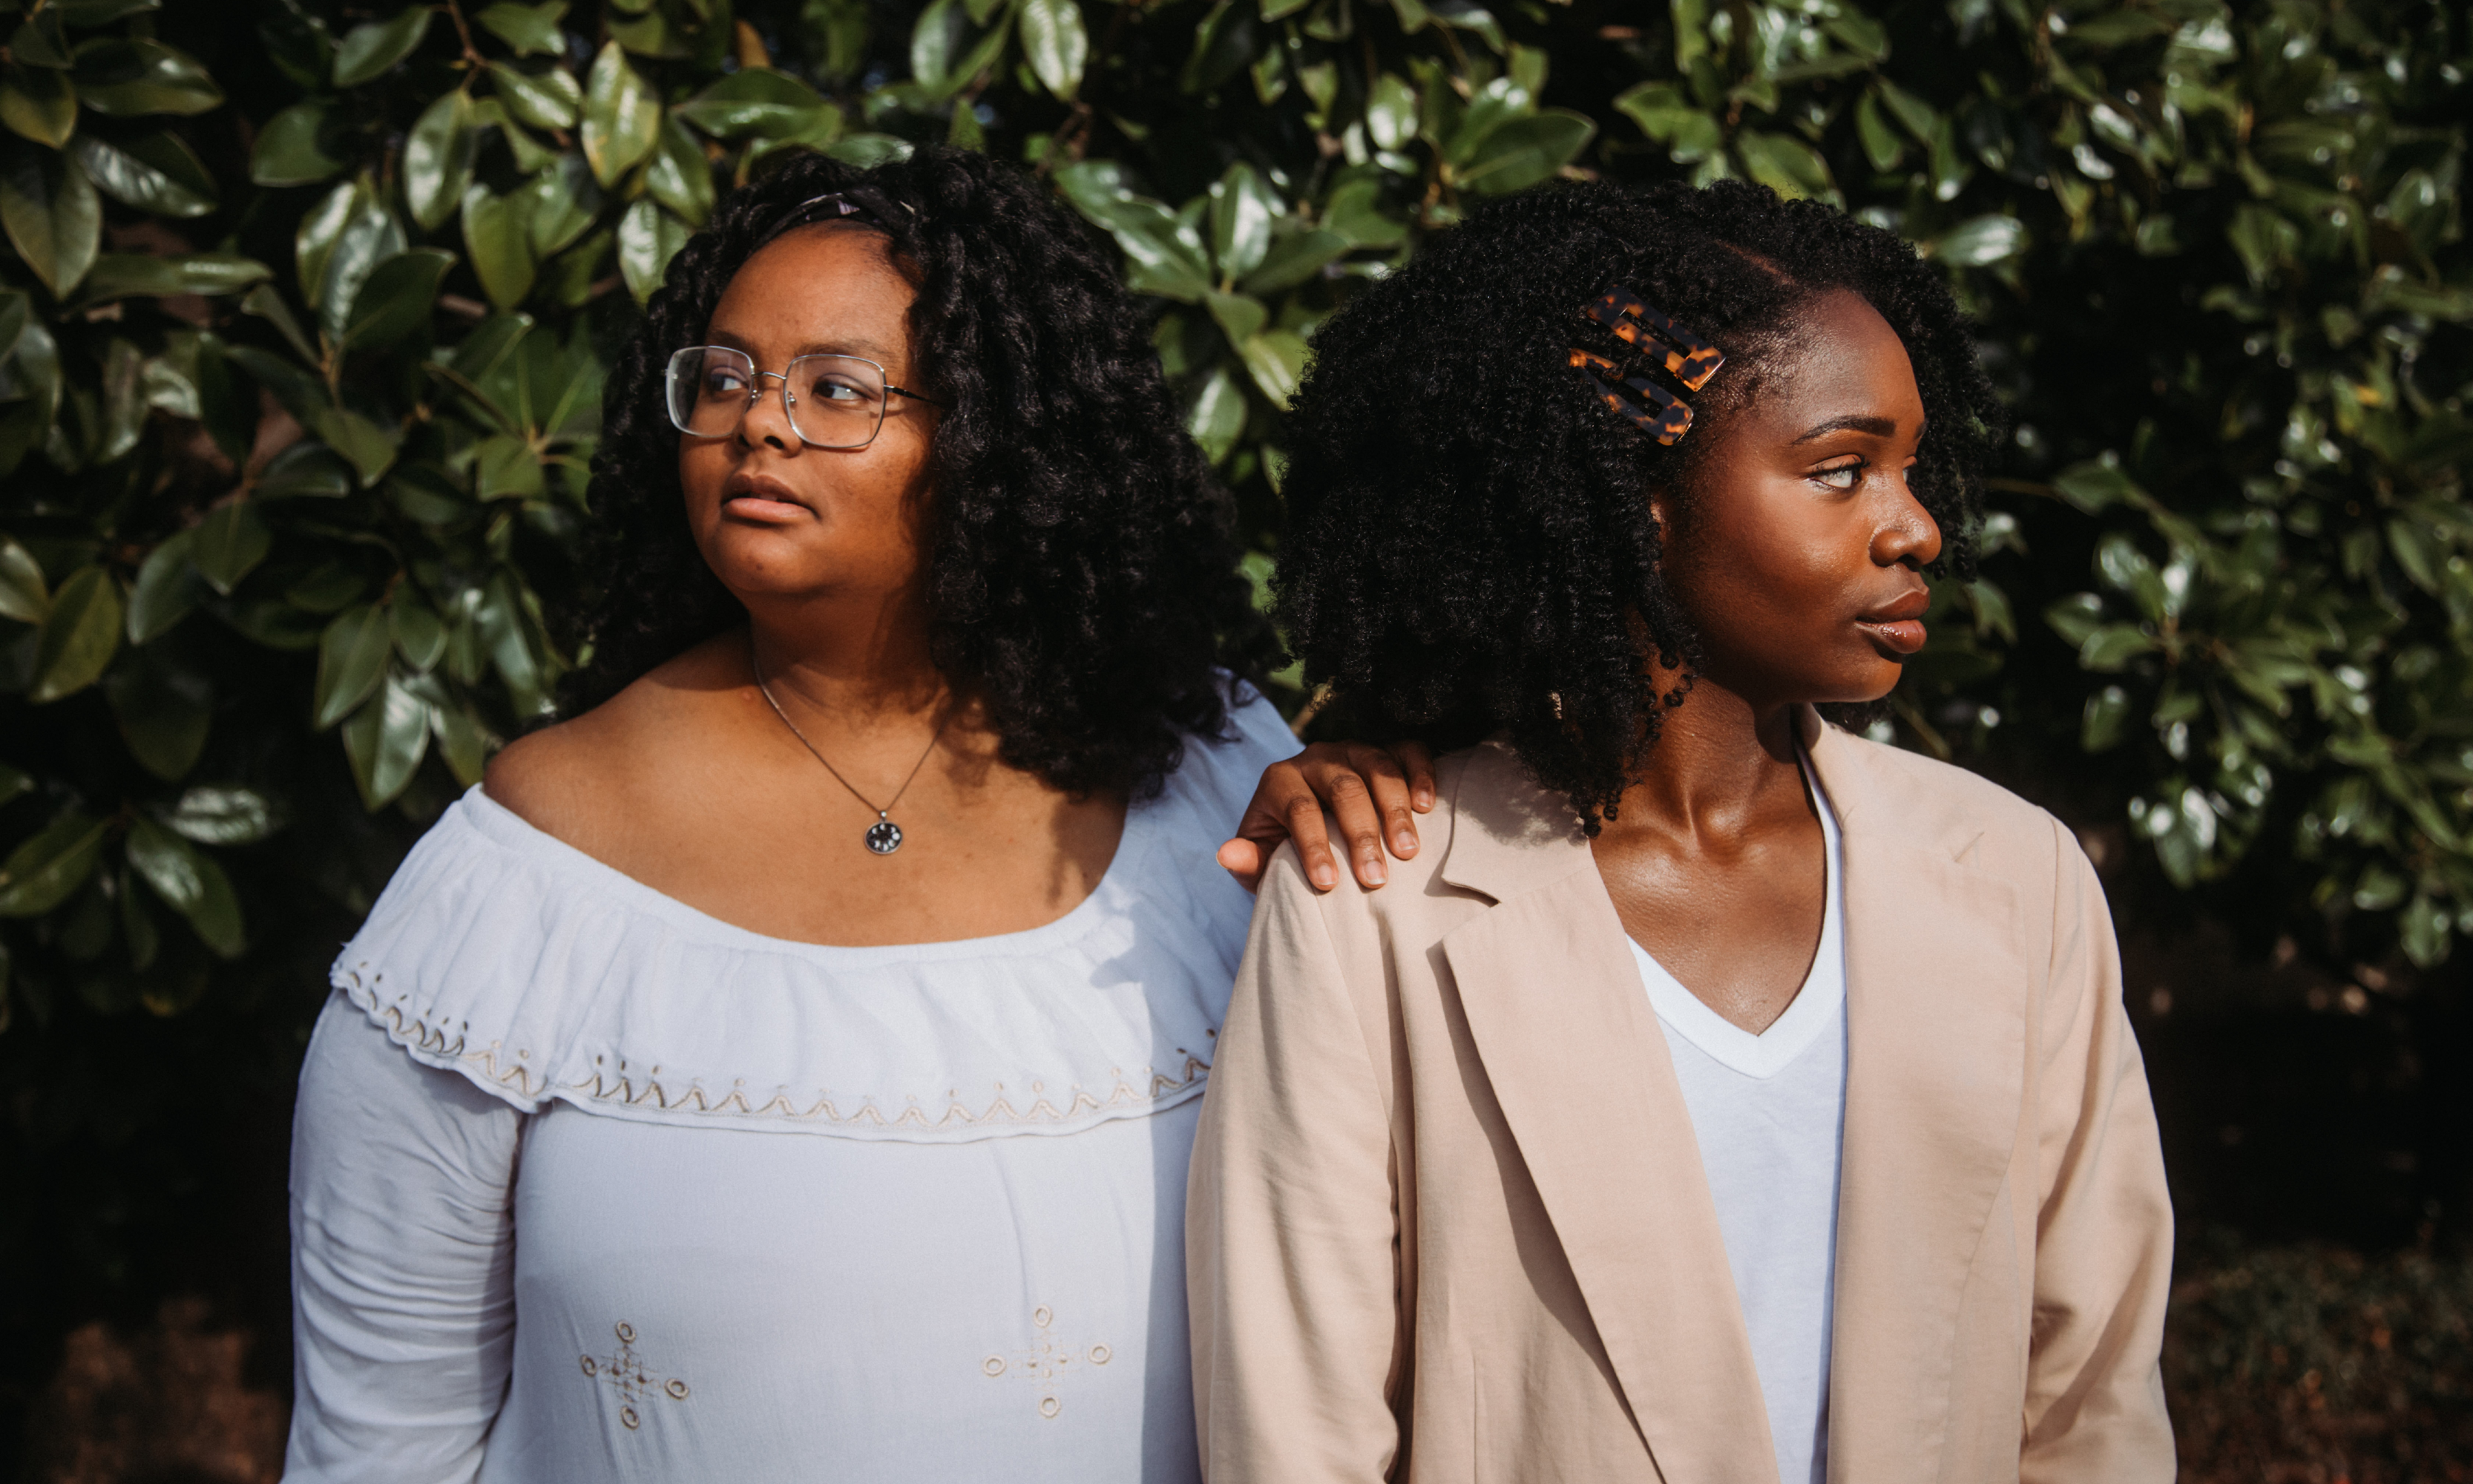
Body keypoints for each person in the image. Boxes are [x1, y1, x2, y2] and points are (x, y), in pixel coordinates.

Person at [286, 145, 1365, 1481]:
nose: (760, 425)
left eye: (836, 389)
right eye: (725, 377)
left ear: (997, 438)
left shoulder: (1206, 776)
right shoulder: (522, 879)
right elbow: (381, 1438)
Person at [1186, 180, 2177, 1483]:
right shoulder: (1372, 895)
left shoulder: (2016, 876)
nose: (1917, 524)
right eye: (1840, 472)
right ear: (1634, 501)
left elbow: (2093, 1390)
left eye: (1911, 468)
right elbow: (1294, 1429)